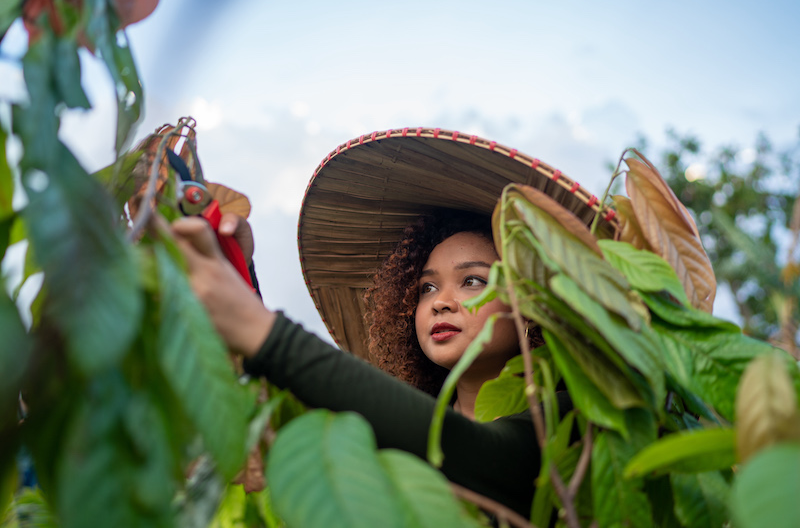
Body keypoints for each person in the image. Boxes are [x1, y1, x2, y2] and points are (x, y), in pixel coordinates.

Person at [171, 127, 618, 518]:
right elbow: (284, 421)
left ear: (533, 302)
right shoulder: (392, 425)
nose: (441, 302)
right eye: (425, 288)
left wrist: (264, 329)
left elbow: (474, 452)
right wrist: (241, 277)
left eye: (474, 281)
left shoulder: (570, 419)